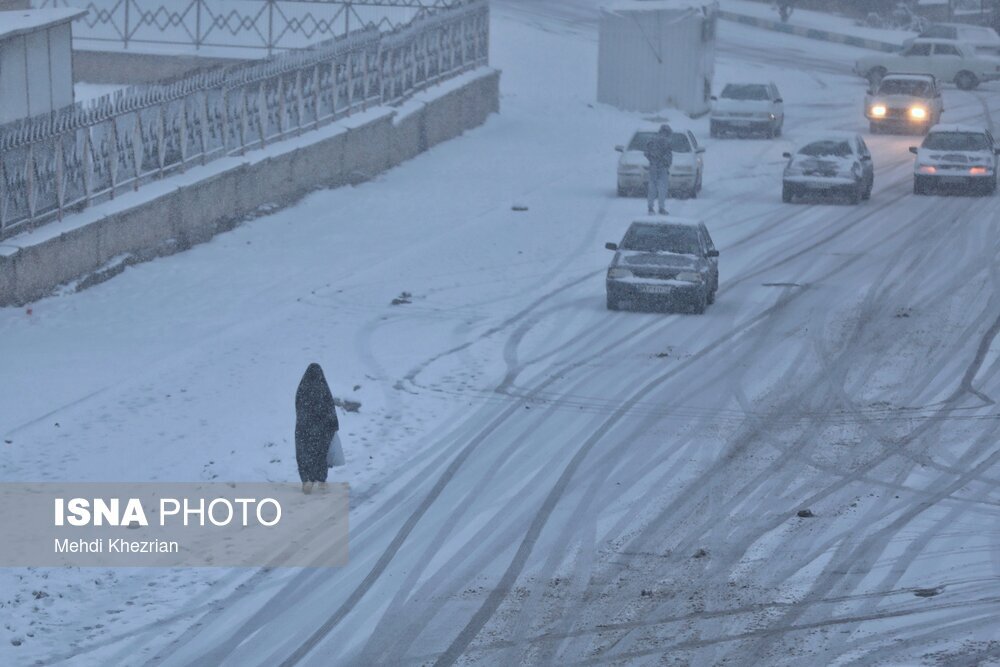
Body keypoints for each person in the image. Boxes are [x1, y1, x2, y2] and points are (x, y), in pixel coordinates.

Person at [295, 363, 340, 494]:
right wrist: (333, 425)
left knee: (304, 454)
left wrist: (304, 421)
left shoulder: (302, 388)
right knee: (320, 454)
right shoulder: (323, 387)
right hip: (321, 429)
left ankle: (306, 480)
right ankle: (321, 480)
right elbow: (329, 407)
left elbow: (298, 405)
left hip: (303, 428)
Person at [644, 125, 673, 215]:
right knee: (661, 189)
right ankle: (660, 208)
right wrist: (663, 161)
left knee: (653, 188)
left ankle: (651, 207)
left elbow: (646, 153)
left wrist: (653, 159)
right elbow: (669, 155)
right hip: (661, 168)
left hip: (654, 167)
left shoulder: (651, 140)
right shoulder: (666, 142)